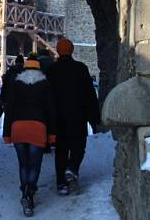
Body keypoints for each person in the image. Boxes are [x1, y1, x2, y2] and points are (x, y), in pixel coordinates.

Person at [46, 37, 101, 196]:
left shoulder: (51, 70)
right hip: (78, 116)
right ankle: (72, 168)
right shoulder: (81, 68)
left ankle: (61, 183)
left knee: (61, 151)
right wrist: (94, 117)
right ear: (71, 51)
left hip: (58, 118)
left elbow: (47, 96)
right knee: (78, 148)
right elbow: (90, 95)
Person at [2, 57, 56, 217]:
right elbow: (50, 110)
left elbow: (9, 109)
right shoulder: (45, 84)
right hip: (37, 127)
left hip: (18, 126)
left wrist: (6, 133)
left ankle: (24, 190)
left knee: (23, 164)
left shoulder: (16, 84)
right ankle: (29, 192)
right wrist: (52, 134)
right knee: (34, 164)